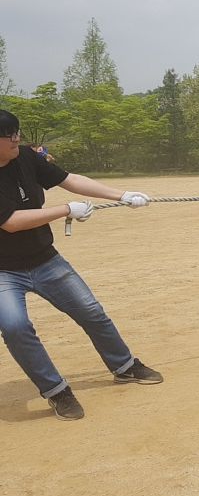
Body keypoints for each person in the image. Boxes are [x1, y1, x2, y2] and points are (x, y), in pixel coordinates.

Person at [0, 110, 162, 421]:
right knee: (15, 327)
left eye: (17, 131)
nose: (17, 138)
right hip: (3, 271)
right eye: (9, 135)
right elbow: (11, 222)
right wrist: (65, 210)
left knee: (91, 311)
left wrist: (122, 195)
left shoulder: (26, 158)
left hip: (44, 259)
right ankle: (56, 390)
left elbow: (68, 179)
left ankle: (124, 366)